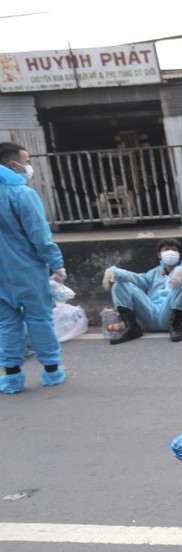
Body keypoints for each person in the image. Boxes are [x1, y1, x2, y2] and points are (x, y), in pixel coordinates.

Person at [0, 142, 67, 393]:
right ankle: (51, 371)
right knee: (39, 320)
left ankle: (12, 377)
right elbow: (39, 235)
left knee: (6, 324)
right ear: (12, 164)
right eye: (26, 161)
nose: (29, 166)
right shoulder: (22, 194)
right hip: (26, 270)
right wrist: (57, 264)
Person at [103, 238, 182, 344]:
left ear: (179, 255)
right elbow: (138, 279)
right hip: (150, 314)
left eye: (173, 250)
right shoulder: (154, 273)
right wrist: (115, 272)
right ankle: (131, 327)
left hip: (170, 314)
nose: (170, 252)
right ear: (159, 255)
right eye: (166, 249)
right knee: (120, 285)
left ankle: (175, 327)